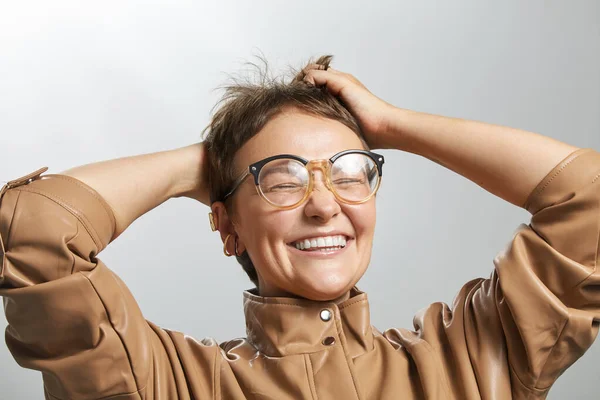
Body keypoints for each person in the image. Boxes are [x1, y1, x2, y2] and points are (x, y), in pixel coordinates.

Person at [0, 55, 598, 399]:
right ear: (226, 226)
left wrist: (392, 124)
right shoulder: (169, 381)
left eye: (350, 173)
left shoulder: (465, 358)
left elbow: (589, 200)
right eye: (283, 181)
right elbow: (34, 230)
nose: (323, 204)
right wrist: (209, 160)